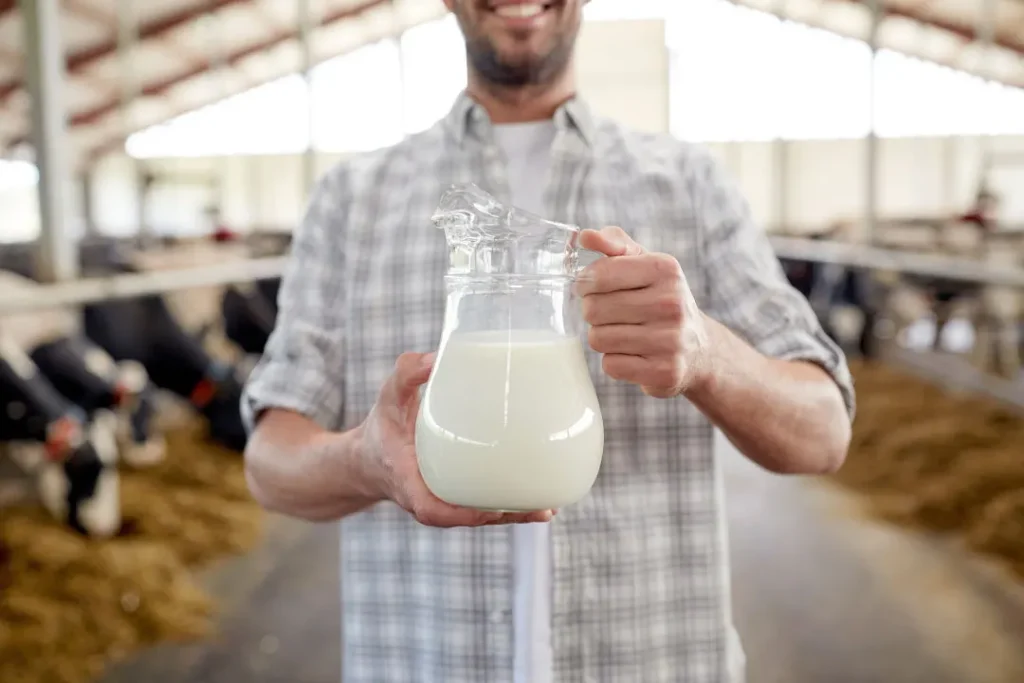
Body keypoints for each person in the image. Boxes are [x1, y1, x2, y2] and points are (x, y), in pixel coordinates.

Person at [241, 1, 855, 681]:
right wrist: (364, 459)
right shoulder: (351, 200)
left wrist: (708, 353)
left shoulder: (690, 184)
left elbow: (824, 432)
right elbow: (269, 462)